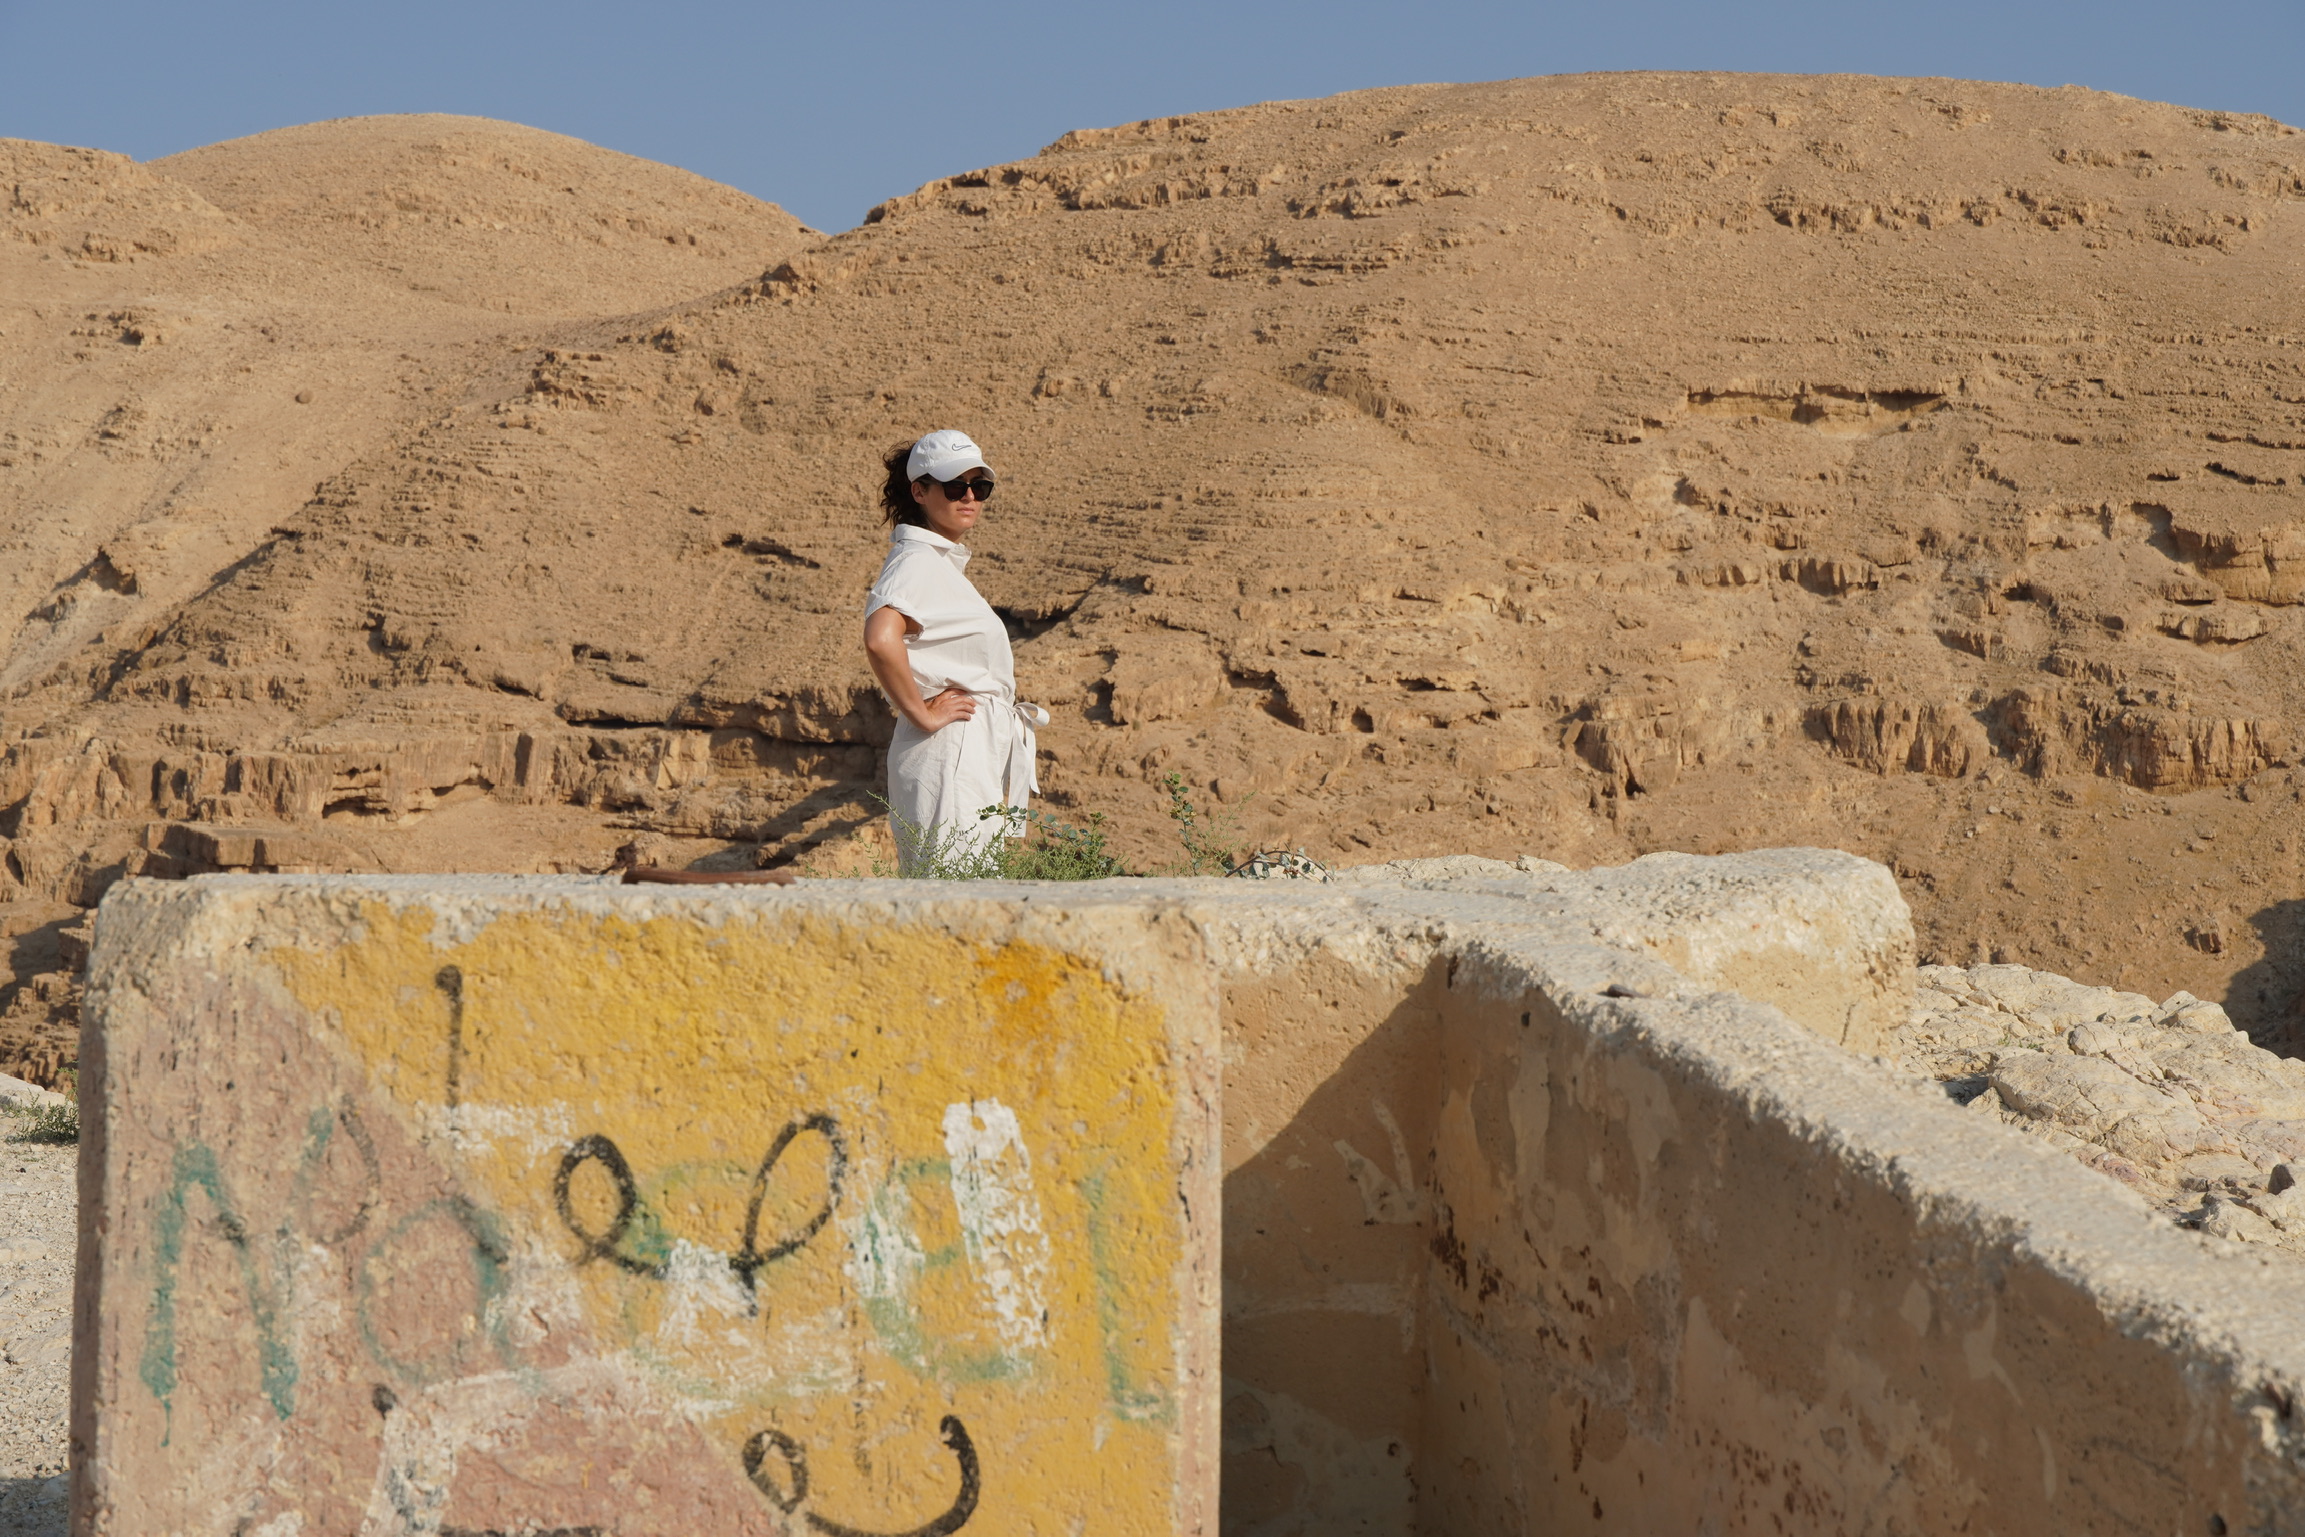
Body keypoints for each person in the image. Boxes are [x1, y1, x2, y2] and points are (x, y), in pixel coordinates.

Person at [863, 430, 1048, 874]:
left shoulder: (934, 563)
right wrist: (922, 714)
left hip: (959, 750)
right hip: (950, 748)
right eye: (954, 486)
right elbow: (879, 637)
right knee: (957, 893)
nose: (968, 496)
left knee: (957, 888)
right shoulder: (916, 563)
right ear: (920, 491)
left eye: (978, 487)